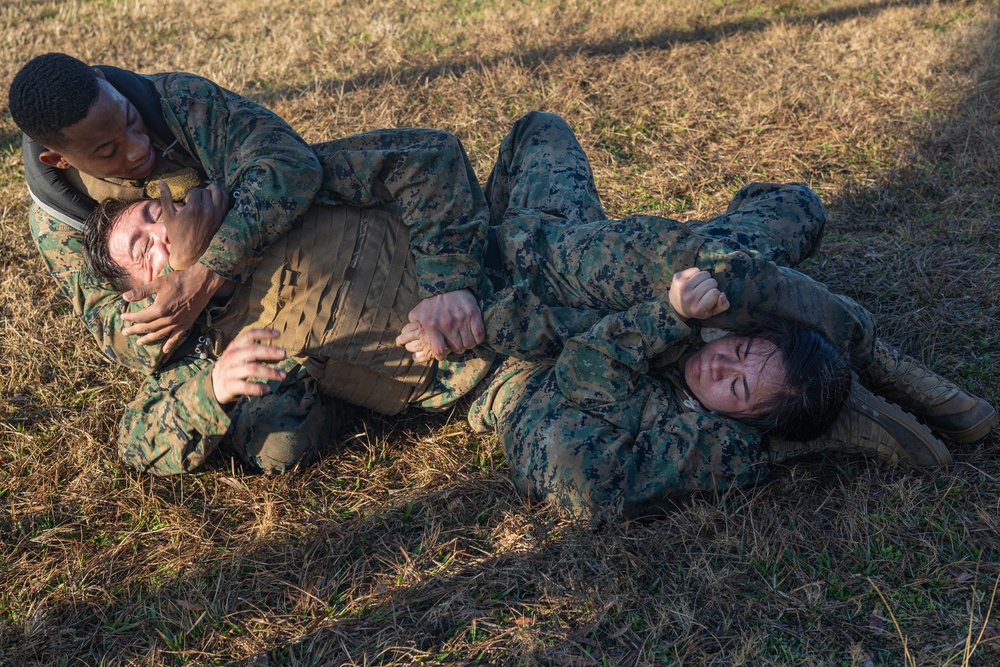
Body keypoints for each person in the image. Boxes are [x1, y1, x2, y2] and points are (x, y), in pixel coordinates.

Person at [84, 113, 993, 518]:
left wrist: (453, 289)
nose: (160, 249)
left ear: (182, 200)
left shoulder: (277, 186)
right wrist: (209, 389)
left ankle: (858, 343)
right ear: (139, 294)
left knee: (624, 252)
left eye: (152, 222)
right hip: (500, 378)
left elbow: (427, 158)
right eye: (141, 259)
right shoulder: (194, 345)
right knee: (581, 472)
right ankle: (797, 415)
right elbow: (136, 438)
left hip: (516, 261)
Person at [9, 52, 486, 375]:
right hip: (250, 318)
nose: (136, 151)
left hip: (294, 237)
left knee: (411, 156)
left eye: (132, 122)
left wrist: (203, 269)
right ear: (59, 159)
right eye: (109, 150)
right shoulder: (57, 219)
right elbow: (123, 338)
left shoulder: (177, 101)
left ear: (106, 84)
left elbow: (291, 165)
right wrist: (175, 270)